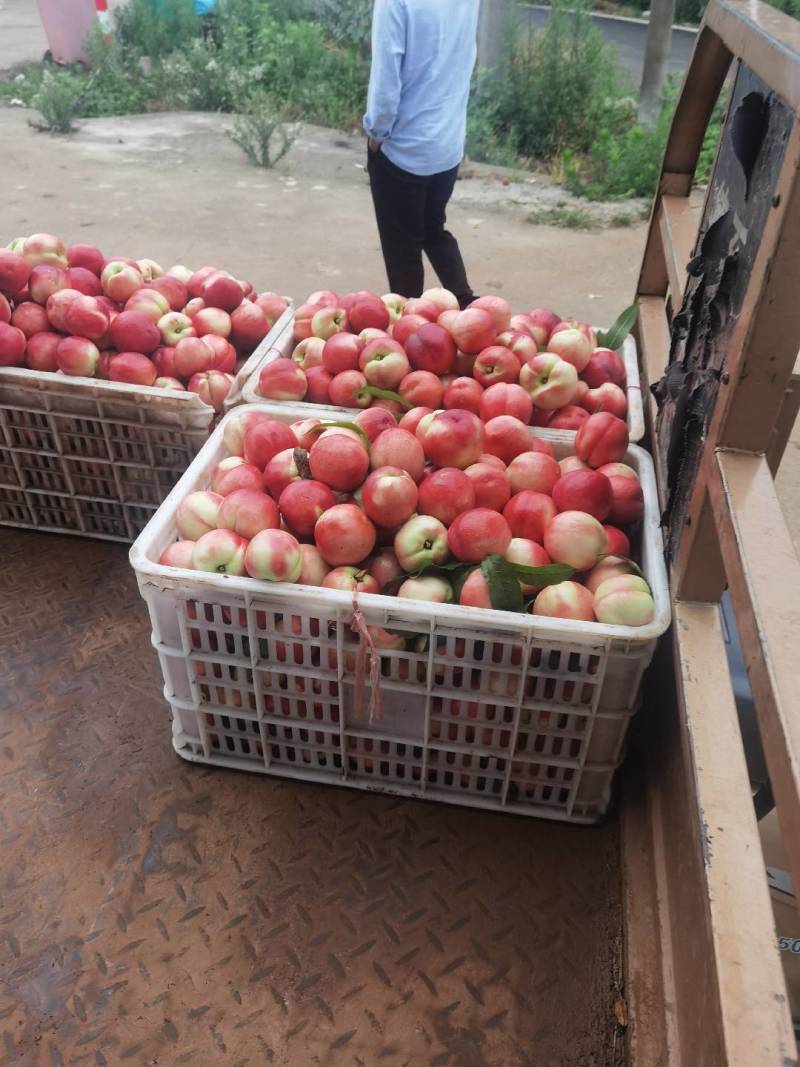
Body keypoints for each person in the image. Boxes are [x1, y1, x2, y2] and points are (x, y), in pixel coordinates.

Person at [363, 0, 480, 310]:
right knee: (432, 228)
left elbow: (386, 82)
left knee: (403, 252)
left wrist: (376, 134)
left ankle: (410, 326)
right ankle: (470, 308)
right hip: (447, 144)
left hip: (404, 149)